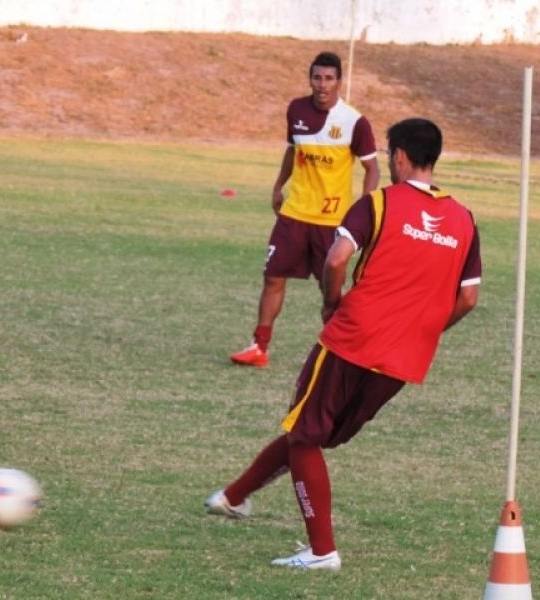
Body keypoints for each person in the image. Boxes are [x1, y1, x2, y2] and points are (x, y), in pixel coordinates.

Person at [206, 118, 482, 570]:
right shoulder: (463, 219)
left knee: (305, 436)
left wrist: (331, 304)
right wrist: (424, 331)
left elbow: (336, 259)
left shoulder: (379, 202)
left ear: (398, 156)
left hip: (353, 339)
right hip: (403, 359)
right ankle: (234, 497)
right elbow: (468, 298)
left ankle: (321, 551)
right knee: (310, 431)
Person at [230, 51, 380, 368]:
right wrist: (278, 186)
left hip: (331, 221)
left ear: (339, 81)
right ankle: (259, 347)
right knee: (273, 277)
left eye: (329, 78)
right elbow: (292, 151)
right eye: (317, 78)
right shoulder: (296, 109)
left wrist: (363, 210)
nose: (322, 85)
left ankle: (340, 353)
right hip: (294, 213)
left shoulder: (354, 122)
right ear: (310, 79)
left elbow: (373, 169)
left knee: (330, 291)